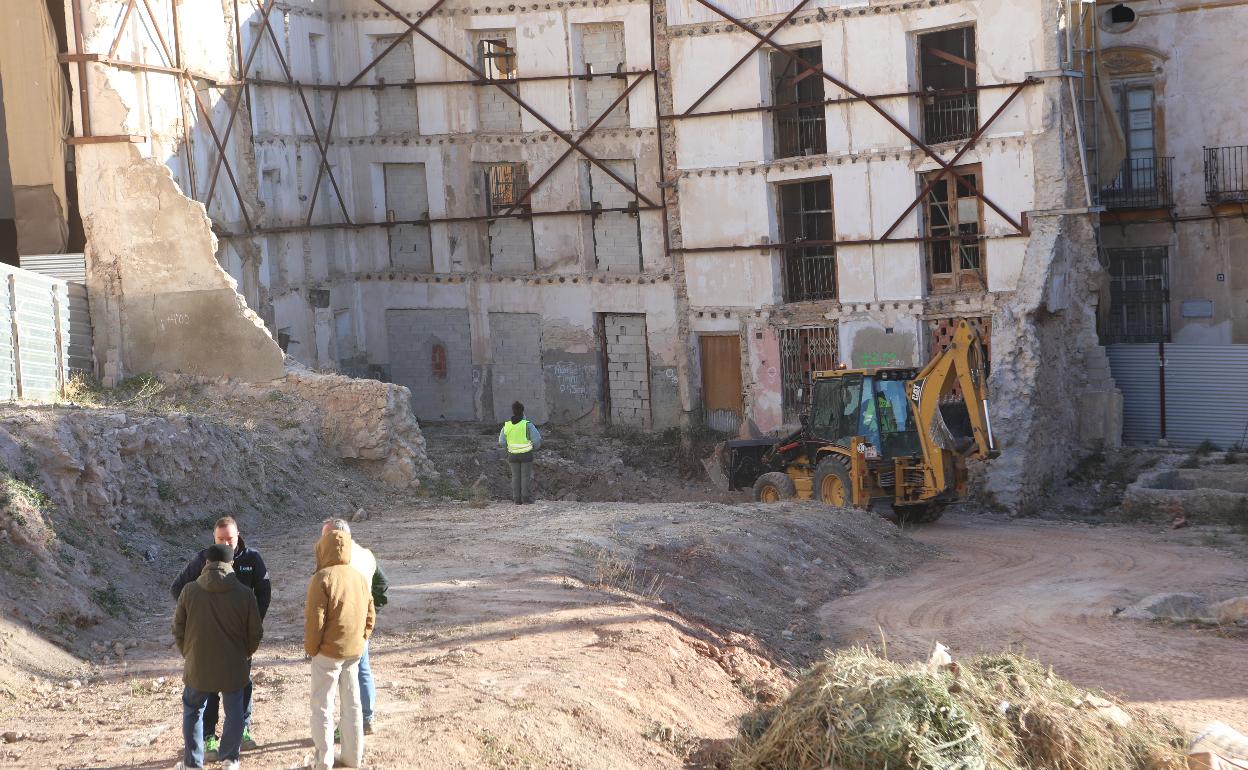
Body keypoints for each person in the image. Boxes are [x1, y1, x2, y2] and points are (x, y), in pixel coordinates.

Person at [170, 516, 271, 758]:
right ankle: (210, 737)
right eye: (221, 539)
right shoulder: (204, 558)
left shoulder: (252, 558)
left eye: (230, 539)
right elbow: (178, 590)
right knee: (210, 691)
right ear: (213, 539)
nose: (226, 543)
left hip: (239, 642)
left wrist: (251, 631)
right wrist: (196, 624)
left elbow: (264, 594)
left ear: (239, 536)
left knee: (241, 687)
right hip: (207, 642)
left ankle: (243, 732)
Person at [305, 522, 375, 770]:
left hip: (327, 654)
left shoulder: (322, 578)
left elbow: (315, 622)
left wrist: (312, 650)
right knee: (352, 706)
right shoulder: (358, 575)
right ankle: (353, 757)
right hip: (354, 652)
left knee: (322, 708)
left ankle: (323, 761)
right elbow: (370, 614)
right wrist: (361, 639)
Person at [320, 519, 389, 736]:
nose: (321, 541)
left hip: (339, 625)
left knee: (341, 676)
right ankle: (366, 719)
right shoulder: (366, 554)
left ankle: (348, 726)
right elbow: (382, 584)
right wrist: (373, 608)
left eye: (325, 536)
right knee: (363, 669)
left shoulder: (337, 558)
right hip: (360, 621)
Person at [498, 401, 542, 504]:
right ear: (523, 411)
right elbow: (536, 440)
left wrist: (508, 448)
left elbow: (501, 441)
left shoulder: (507, 425)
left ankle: (516, 499)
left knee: (515, 477)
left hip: (512, 455)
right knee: (525, 477)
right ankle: (525, 498)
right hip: (526, 454)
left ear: (513, 411)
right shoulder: (527, 424)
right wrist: (534, 448)